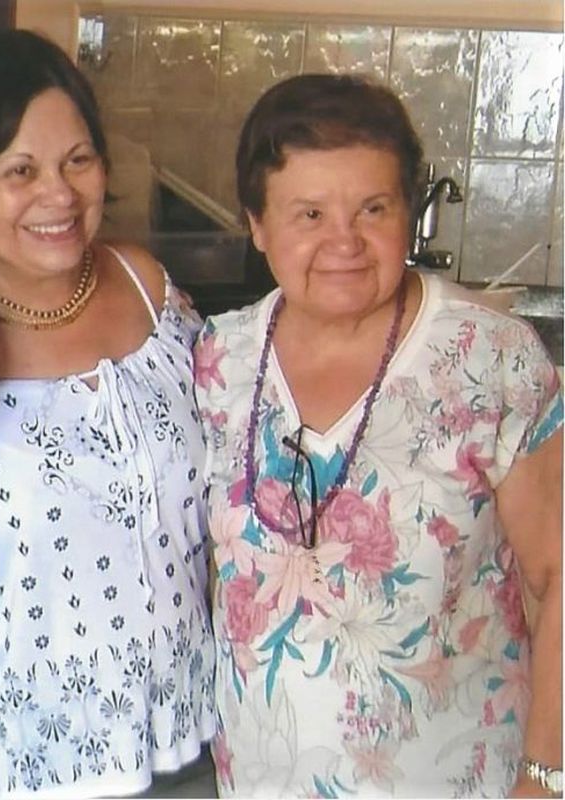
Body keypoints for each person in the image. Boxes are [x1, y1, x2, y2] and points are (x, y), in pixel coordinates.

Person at [194, 73, 562, 797]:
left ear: (408, 215)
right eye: (309, 213)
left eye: (373, 208)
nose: (344, 242)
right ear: (257, 224)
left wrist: (546, 777)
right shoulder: (218, 357)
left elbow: (558, 576)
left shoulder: (490, 356)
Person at [0, 29, 218, 798]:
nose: (59, 194)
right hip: (26, 764)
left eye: (78, 161)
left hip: (196, 730)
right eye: (19, 170)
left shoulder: (146, 285)